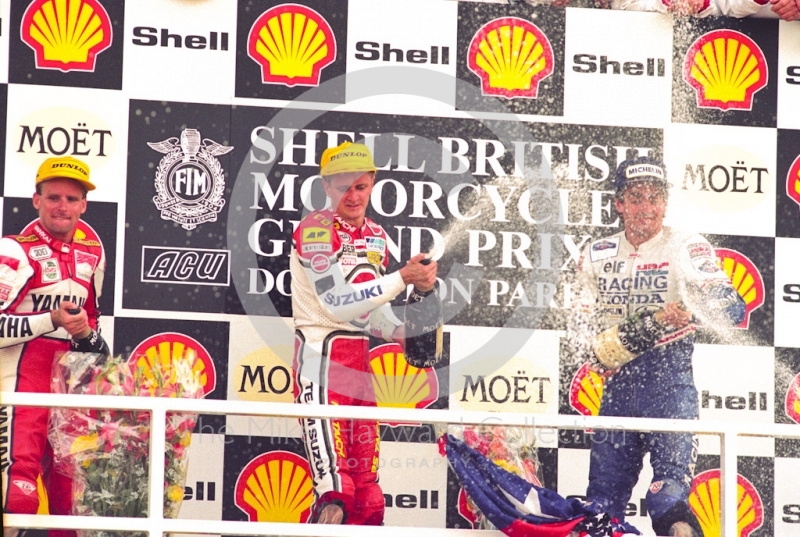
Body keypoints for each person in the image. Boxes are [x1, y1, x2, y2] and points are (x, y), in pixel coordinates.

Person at [567, 157, 745, 537]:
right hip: (616, 394)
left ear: (665, 203)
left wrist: (699, 308)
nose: (646, 207)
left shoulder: (685, 245)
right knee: (600, 507)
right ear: (619, 203)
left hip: (669, 389)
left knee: (667, 500)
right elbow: (579, 330)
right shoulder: (596, 253)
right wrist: (599, 353)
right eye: (635, 197)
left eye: (655, 197)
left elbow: (730, 305)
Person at [290, 141, 437, 526]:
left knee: (369, 499)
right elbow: (337, 303)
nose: (352, 196)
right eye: (342, 187)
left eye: (360, 186)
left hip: (360, 373)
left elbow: (367, 316)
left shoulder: (375, 234)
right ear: (326, 187)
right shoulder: (314, 229)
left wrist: (403, 330)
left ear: (372, 183)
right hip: (319, 368)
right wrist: (402, 277)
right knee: (336, 497)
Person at [0, 156, 108, 533]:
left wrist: (82, 333)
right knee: (17, 499)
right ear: (36, 200)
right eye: (53, 197)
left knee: (74, 508)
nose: (62, 206)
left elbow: (93, 339)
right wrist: (52, 320)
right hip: (20, 392)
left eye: (71, 199)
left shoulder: (93, 253)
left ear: (84, 205)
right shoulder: (14, 250)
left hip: (67, 397)